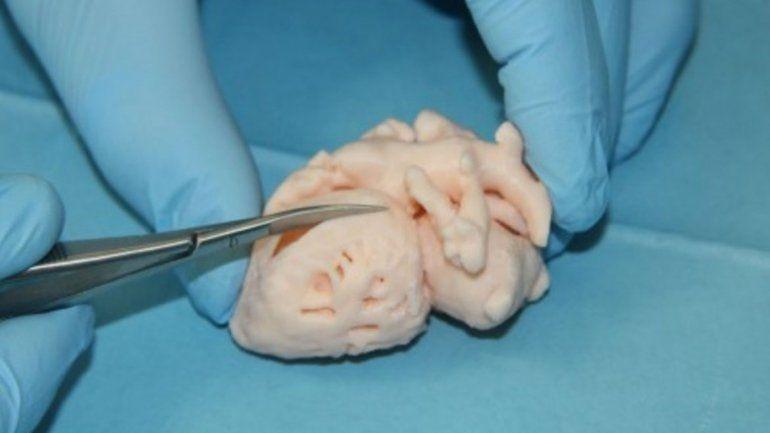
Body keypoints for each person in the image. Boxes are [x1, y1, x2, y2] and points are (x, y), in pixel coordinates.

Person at [0, 1, 696, 431]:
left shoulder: (399, 194)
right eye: (356, 305)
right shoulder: (382, 192)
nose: (353, 294)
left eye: (349, 299)